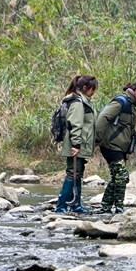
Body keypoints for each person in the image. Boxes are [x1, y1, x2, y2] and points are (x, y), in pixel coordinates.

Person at [95, 80, 136, 214]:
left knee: (117, 176)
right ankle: (119, 209)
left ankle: (106, 207)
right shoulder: (121, 102)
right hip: (111, 145)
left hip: (119, 146)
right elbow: (103, 117)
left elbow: (129, 129)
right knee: (122, 175)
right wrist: (97, 138)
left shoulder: (131, 105)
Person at [55, 74, 98, 214]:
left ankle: (75, 205)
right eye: (92, 89)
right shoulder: (78, 103)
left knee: (77, 174)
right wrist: (76, 145)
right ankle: (61, 207)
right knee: (72, 173)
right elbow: (75, 125)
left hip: (80, 143)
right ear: (84, 88)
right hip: (76, 144)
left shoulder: (84, 101)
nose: (94, 92)